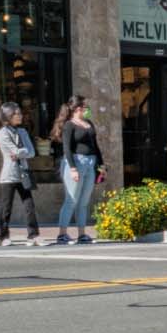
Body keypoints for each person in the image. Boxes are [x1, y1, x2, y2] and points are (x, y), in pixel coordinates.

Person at [51, 95, 102, 245]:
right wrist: (73, 168)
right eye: (86, 106)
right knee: (71, 200)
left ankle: (82, 234)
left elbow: (95, 146)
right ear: (78, 108)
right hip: (76, 162)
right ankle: (62, 234)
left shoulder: (89, 124)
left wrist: (101, 165)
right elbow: (66, 148)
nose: (88, 109)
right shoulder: (69, 125)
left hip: (90, 163)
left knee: (84, 202)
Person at [0, 102, 41, 246]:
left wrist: (20, 153)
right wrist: (21, 152)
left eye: (20, 113)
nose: (20, 116)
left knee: (29, 205)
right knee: (6, 207)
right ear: (8, 116)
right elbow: (13, 152)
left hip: (24, 173)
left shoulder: (23, 132)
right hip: (9, 175)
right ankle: (3, 236)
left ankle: (33, 235)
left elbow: (32, 152)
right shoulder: (2, 133)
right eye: (16, 113)